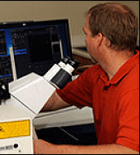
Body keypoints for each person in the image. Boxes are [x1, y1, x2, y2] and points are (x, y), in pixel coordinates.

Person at [33, 2, 139, 154]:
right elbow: (56, 99)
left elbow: (130, 151)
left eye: (86, 34)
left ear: (99, 39)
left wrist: (52, 150)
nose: (85, 40)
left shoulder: (134, 87)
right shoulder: (97, 74)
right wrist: (8, 101)